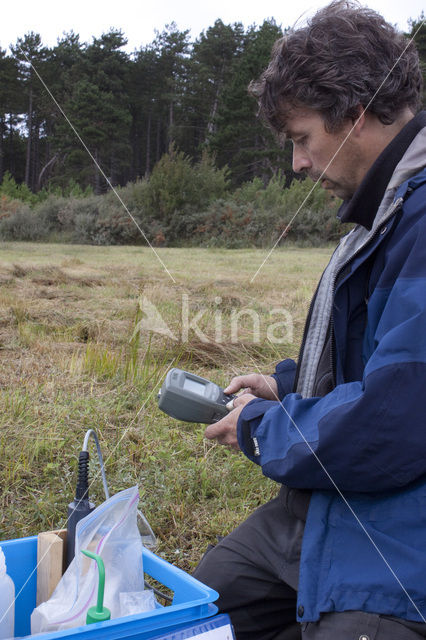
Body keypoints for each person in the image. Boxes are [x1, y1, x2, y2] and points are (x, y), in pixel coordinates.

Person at [193, 2, 426, 639]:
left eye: (301, 139)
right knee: (202, 603)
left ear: (355, 115)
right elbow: (382, 366)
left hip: (402, 526)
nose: (297, 164)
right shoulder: (386, 211)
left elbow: (395, 425)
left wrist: (266, 427)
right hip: (338, 500)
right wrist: (291, 389)